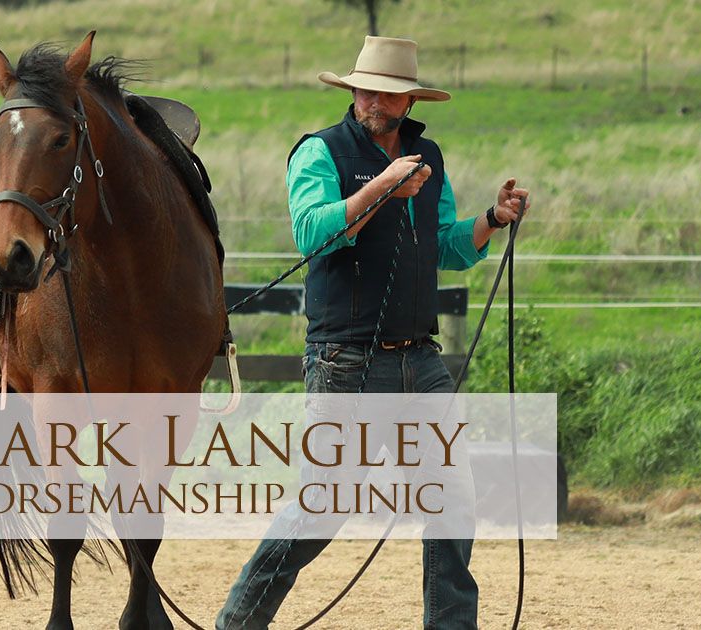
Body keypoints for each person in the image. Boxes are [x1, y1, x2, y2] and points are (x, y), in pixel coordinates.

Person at [215, 36, 531, 630]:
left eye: (385, 90)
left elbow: (447, 249)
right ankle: (238, 622)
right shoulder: (318, 153)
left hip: (422, 362)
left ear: (407, 100)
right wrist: (381, 187)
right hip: (346, 362)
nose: (371, 99)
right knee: (322, 510)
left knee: (453, 505)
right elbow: (314, 233)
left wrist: (491, 221)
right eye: (364, 87)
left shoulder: (427, 155)